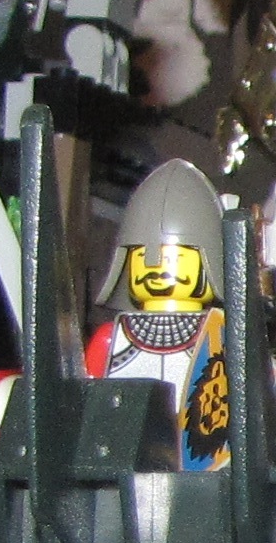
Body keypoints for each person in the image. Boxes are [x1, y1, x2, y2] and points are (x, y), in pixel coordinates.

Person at [85, 158, 237, 469]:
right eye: (144, 258)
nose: (156, 269)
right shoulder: (111, 339)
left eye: (174, 260)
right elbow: (84, 395)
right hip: (124, 461)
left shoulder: (222, 337)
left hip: (204, 467)